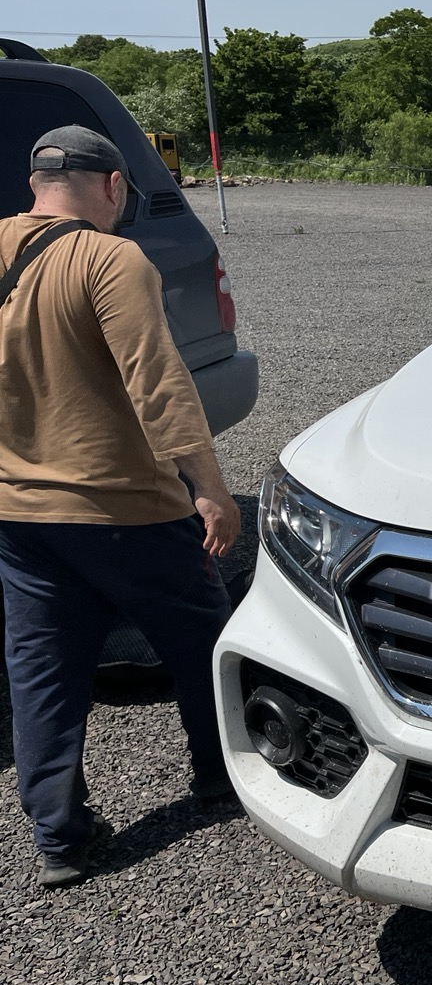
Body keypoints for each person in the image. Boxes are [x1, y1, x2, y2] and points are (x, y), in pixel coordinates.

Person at [0, 125, 241, 888]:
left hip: (19, 515)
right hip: (127, 505)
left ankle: (59, 838)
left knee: (41, 669)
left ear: (35, 184)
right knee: (203, 637)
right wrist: (210, 487)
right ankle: (221, 775)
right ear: (111, 185)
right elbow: (157, 380)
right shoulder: (112, 258)